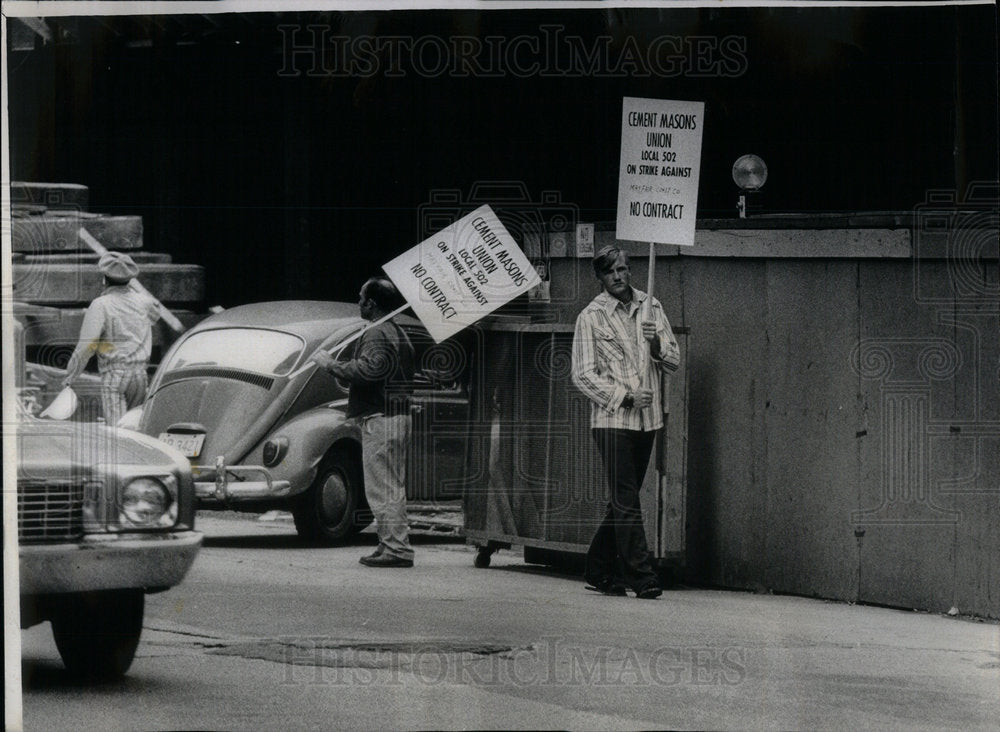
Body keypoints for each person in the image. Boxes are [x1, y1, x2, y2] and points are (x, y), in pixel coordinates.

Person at [571, 245, 680, 599]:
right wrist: (626, 396)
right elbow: (583, 375)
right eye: (610, 272)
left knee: (623, 498)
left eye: (623, 269)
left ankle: (599, 569)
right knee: (626, 498)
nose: (618, 277)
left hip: (648, 421)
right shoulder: (590, 316)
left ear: (631, 270)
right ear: (600, 277)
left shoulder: (652, 306)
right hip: (612, 418)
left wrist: (656, 345)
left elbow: (674, 360)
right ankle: (641, 575)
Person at [311, 277, 416, 568]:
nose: (358, 302)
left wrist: (330, 365)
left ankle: (395, 548)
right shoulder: (398, 332)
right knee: (391, 485)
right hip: (397, 414)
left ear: (371, 303)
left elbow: (370, 371)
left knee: (382, 487)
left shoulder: (376, 333)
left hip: (380, 417)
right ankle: (391, 544)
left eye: (361, 298)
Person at [62, 252, 160, 426]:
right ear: (130, 278)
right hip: (140, 376)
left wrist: (71, 375)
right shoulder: (145, 303)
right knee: (135, 430)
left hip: (114, 376)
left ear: (104, 278)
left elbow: (87, 346)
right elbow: (155, 315)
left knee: (118, 433)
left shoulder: (101, 304)